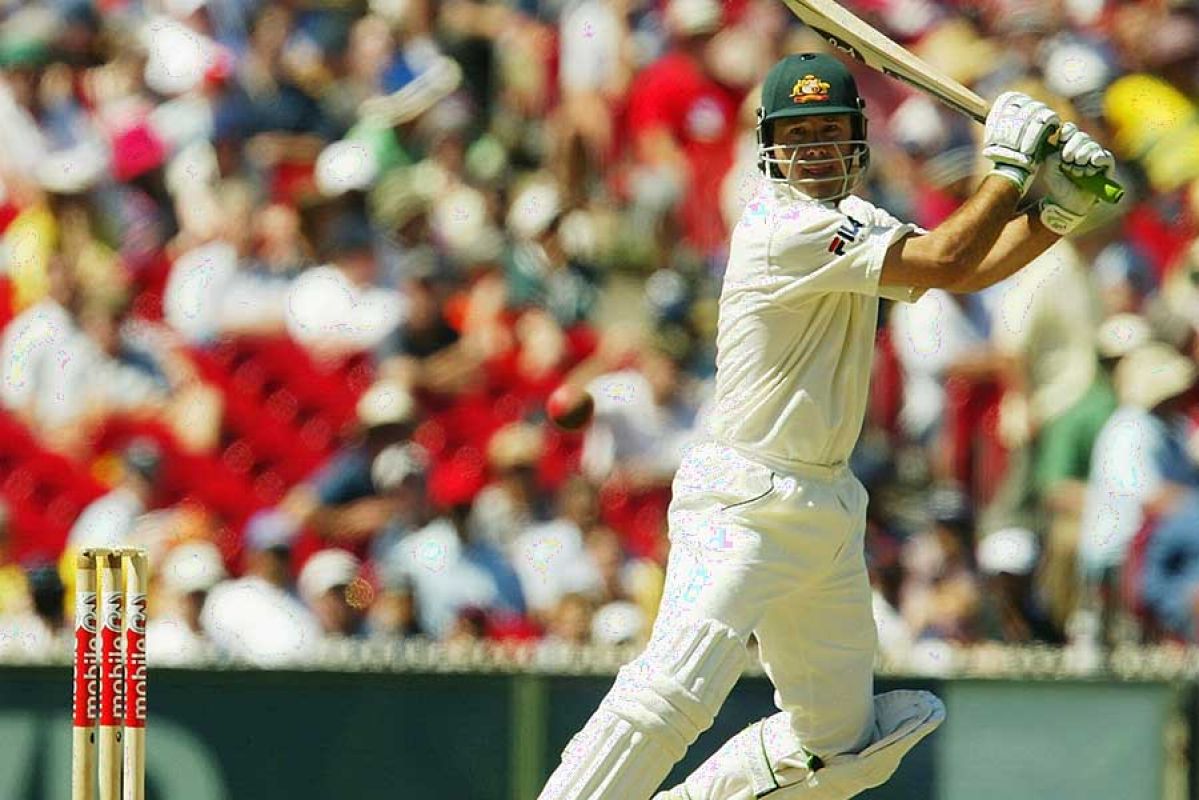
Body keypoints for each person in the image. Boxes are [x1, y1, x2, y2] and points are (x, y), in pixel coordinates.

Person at [538, 52, 1116, 800]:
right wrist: (1007, 166)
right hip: (742, 500)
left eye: (827, 129)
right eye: (797, 131)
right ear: (769, 145)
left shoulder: (859, 220)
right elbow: (946, 253)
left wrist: (1055, 208)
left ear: (854, 139)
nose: (812, 145)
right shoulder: (779, 226)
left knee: (839, 750)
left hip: (825, 508)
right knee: (667, 699)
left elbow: (963, 270)